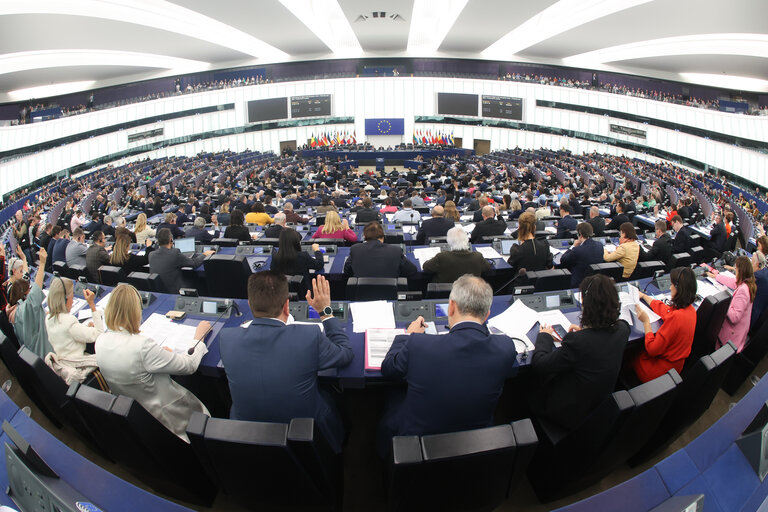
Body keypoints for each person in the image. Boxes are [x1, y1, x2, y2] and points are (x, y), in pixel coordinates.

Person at [379, 275, 517, 454]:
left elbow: (389, 369)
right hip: (478, 442)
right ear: (487, 314)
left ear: (451, 306)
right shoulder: (506, 347)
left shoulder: (418, 344)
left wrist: (407, 335)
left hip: (419, 445)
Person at [219, 273, 352, 453]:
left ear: (250, 305)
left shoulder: (227, 338)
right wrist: (325, 312)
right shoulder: (309, 336)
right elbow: (345, 354)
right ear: (287, 306)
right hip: (305, 434)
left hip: (245, 436)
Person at [95, 284, 211, 442]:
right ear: (136, 311)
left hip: (137, 419)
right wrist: (199, 338)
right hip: (168, 418)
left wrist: (159, 355)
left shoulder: (100, 340)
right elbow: (189, 366)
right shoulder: (142, 346)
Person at [530, 274, 629, 430]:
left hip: (568, 411)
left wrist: (544, 337)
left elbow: (540, 364)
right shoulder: (623, 329)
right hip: (599, 404)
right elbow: (600, 340)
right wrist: (585, 330)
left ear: (586, 305)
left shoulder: (578, 342)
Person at [633, 267, 698, 382]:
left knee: (631, 355)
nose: (669, 287)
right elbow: (666, 310)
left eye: (672, 284)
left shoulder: (676, 318)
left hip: (660, 373)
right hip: (675, 369)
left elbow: (652, 349)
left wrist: (646, 322)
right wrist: (644, 296)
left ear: (678, 288)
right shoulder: (690, 310)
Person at [6, 248, 52, 359]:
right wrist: (42, 263)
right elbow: (37, 288)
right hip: (45, 357)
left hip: (32, 357)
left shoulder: (15, 311)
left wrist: (24, 258)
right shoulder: (28, 308)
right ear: (26, 295)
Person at [706, 256, 757, 351]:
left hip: (731, 336)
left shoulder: (743, 291)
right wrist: (716, 276)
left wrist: (725, 302)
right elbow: (732, 282)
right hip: (738, 332)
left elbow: (734, 317)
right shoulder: (747, 283)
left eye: (736, 269)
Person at [45, 277, 104, 359]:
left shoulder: (48, 318)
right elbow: (98, 334)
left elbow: (68, 336)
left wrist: (85, 328)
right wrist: (92, 304)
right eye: (71, 298)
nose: (72, 301)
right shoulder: (69, 322)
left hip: (64, 361)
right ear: (64, 300)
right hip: (78, 364)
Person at [148, 228, 214, 294]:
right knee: (199, 282)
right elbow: (194, 263)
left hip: (160, 292)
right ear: (171, 239)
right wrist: (205, 254)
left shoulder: (151, 255)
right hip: (176, 290)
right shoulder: (175, 253)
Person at [343, 222, 416, 278]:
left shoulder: (355, 249)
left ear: (364, 236)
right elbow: (412, 270)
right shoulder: (396, 250)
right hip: (390, 294)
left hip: (360, 294)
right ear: (383, 237)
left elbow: (347, 271)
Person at [422, 227, 491, 283]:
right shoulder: (477, 256)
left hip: (445, 294)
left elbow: (426, 267)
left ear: (449, 241)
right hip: (469, 292)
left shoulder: (442, 256)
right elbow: (487, 267)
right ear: (467, 240)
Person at [270, 228, 324, 296]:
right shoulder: (303, 256)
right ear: (296, 241)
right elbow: (319, 264)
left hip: (282, 293)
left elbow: (272, 271)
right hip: (305, 293)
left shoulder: (275, 257)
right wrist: (317, 251)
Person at [506, 211, 553, 276]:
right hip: (539, 283)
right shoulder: (545, 245)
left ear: (519, 227)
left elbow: (510, 267)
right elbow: (550, 266)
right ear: (534, 227)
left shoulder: (517, 249)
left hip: (521, 284)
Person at [559, 222, 604, 288]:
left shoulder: (577, 250)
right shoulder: (600, 245)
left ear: (580, 235)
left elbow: (563, 260)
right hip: (595, 282)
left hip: (578, 284)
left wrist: (573, 246)